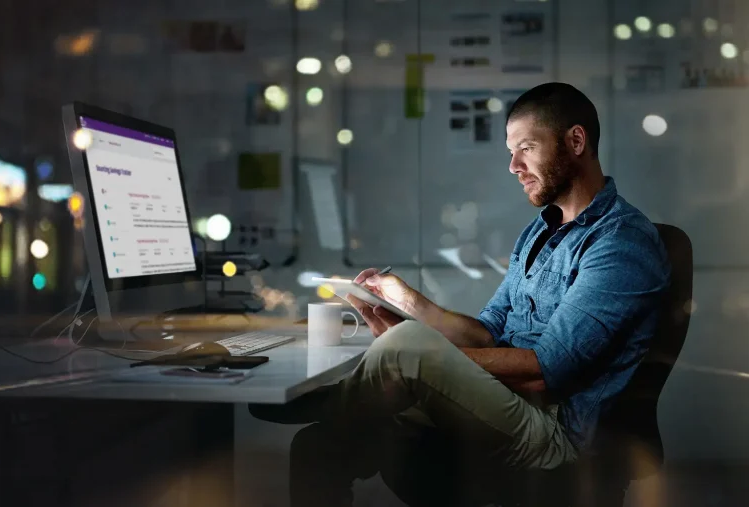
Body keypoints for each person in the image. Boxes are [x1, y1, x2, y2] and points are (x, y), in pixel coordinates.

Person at [250, 82, 671, 505]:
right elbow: (486, 334)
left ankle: (336, 401)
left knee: (408, 349)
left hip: (555, 432)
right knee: (317, 445)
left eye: (525, 148)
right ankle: (344, 401)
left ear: (576, 141)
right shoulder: (540, 232)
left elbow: (546, 371)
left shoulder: (621, 242)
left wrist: (419, 359)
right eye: (511, 151)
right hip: (506, 401)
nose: (513, 165)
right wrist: (408, 304)